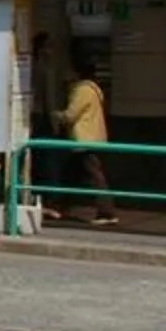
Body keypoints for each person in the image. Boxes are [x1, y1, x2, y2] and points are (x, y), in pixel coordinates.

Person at [53, 55, 121, 226]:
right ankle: (62, 207)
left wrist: (56, 115)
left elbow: (71, 115)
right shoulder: (95, 89)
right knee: (72, 175)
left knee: (93, 175)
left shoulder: (82, 90)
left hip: (83, 140)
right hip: (92, 138)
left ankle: (107, 212)